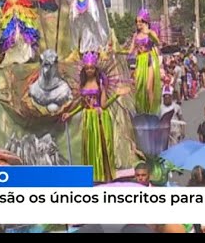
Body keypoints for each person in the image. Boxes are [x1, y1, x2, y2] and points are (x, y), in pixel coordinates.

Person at [62, 52, 130, 182]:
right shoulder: (82, 84)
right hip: (88, 119)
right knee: (90, 146)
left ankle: (104, 176)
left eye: (91, 68)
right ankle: (93, 176)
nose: (89, 70)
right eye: (87, 68)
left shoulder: (100, 83)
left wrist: (116, 95)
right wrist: (70, 114)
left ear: (95, 68)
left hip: (100, 117)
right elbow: (83, 105)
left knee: (102, 146)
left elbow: (104, 105)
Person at [127, 9, 162, 115]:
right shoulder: (135, 35)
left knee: (148, 88)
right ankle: (141, 111)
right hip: (140, 61)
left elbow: (158, 42)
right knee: (139, 87)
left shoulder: (151, 32)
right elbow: (130, 51)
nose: (138, 24)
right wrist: (116, 50)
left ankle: (152, 113)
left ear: (145, 22)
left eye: (140, 21)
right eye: (137, 22)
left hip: (149, 60)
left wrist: (149, 34)